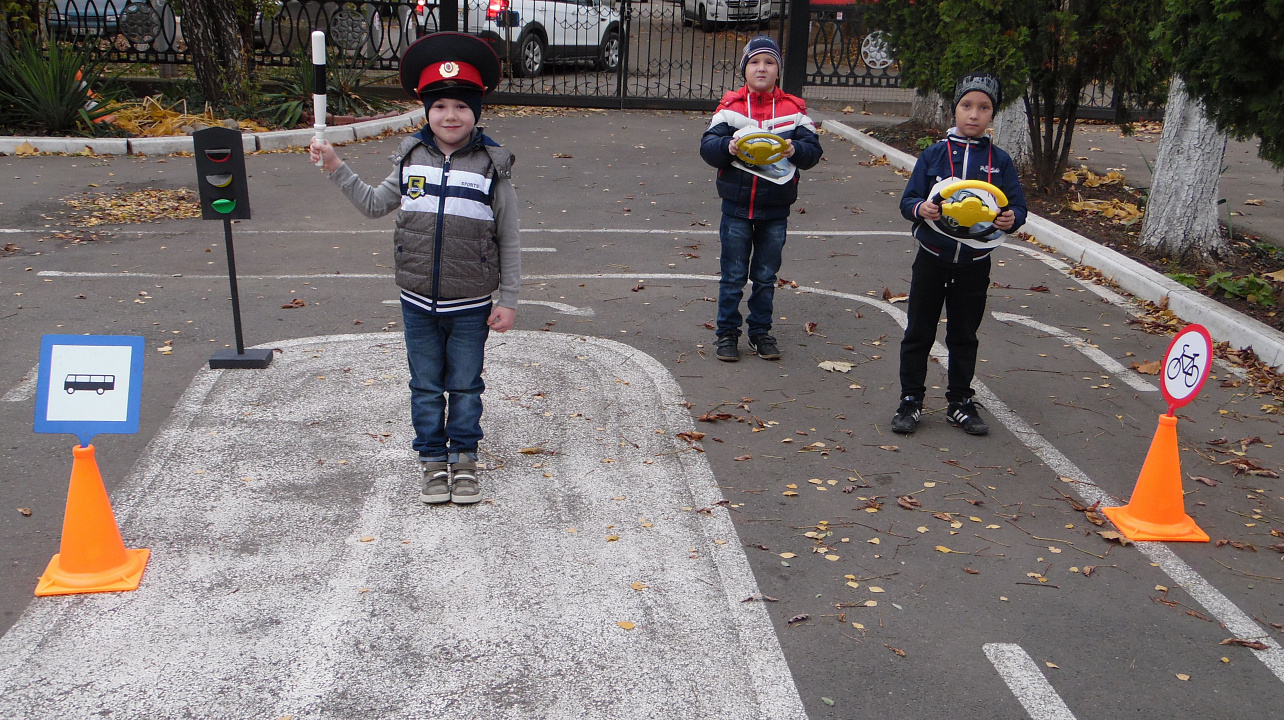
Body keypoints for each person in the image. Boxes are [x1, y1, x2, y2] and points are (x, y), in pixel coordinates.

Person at [310, 32, 519, 504]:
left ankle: (464, 458)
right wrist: (336, 165)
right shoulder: (409, 160)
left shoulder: (492, 166)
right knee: (425, 386)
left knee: (465, 385)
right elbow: (372, 204)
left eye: (462, 106)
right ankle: (431, 461)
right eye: (441, 105)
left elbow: (508, 236)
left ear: (476, 112)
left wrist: (508, 299)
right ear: (426, 110)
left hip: (470, 305)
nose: (451, 115)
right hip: (417, 303)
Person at [890, 72, 1027, 436]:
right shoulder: (934, 155)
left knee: (964, 334)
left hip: (974, 264)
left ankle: (960, 402)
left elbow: (1017, 208)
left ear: (992, 115)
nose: (973, 114)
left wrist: (1012, 218)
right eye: (967, 106)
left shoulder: (1001, 161)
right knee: (919, 330)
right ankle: (910, 400)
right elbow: (908, 201)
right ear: (955, 110)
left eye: (983, 108)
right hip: (932, 257)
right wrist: (922, 209)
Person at [699, 36, 823, 362]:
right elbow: (707, 148)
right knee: (733, 276)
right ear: (745, 69)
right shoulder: (730, 109)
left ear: (778, 70)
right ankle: (727, 334)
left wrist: (796, 148)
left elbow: (813, 152)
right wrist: (727, 148)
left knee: (766, 277)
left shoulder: (794, 112)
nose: (762, 68)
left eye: (769, 62)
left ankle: (760, 332)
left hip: (775, 209)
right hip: (736, 208)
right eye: (755, 62)